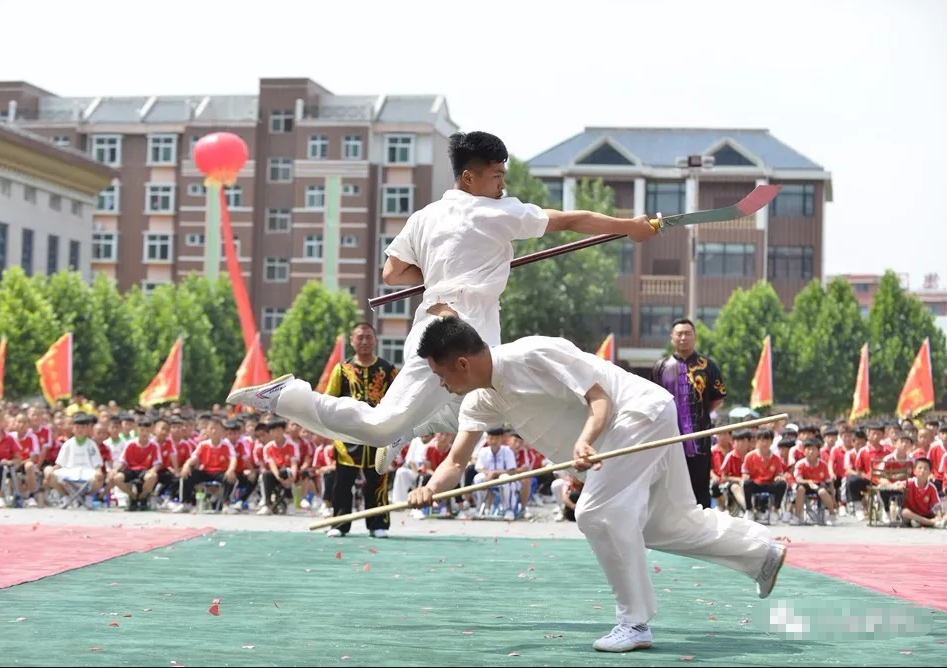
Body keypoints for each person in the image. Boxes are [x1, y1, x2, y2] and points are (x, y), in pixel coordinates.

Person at [227, 130, 660, 473]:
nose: (502, 185)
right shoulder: (498, 212)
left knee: (478, 408)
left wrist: (438, 275)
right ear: (469, 178)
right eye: (496, 177)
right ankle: (287, 396)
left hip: (462, 323)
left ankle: (408, 428)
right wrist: (628, 226)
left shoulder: (425, 216)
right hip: (449, 328)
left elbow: (392, 273)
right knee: (381, 426)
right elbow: (572, 219)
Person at [406, 316, 786, 653]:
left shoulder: (534, 353)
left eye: (441, 375)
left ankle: (634, 622)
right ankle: (760, 554)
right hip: (623, 436)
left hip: (639, 413)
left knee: (593, 512)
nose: (442, 384)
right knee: (668, 523)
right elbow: (456, 462)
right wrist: (429, 489)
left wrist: (586, 440)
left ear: (461, 363)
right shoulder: (478, 403)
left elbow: (599, 399)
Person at [322, 322, 399, 538]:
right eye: (359, 337)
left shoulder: (387, 369)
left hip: (377, 435)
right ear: (352, 341)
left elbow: (399, 398)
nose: (364, 341)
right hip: (348, 437)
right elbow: (328, 400)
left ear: (375, 340)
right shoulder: (342, 369)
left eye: (368, 337)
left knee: (377, 482)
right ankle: (339, 524)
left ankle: (378, 524)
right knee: (342, 484)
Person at [651, 318, 726, 509]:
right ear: (672, 338)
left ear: (695, 337)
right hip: (669, 439)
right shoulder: (661, 367)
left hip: (699, 439)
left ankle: (701, 531)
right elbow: (653, 400)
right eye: (679, 334)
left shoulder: (708, 366)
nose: (683, 337)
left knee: (699, 488)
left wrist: (700, 414)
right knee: (669, 487)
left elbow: (717, 397)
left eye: (688, 333)